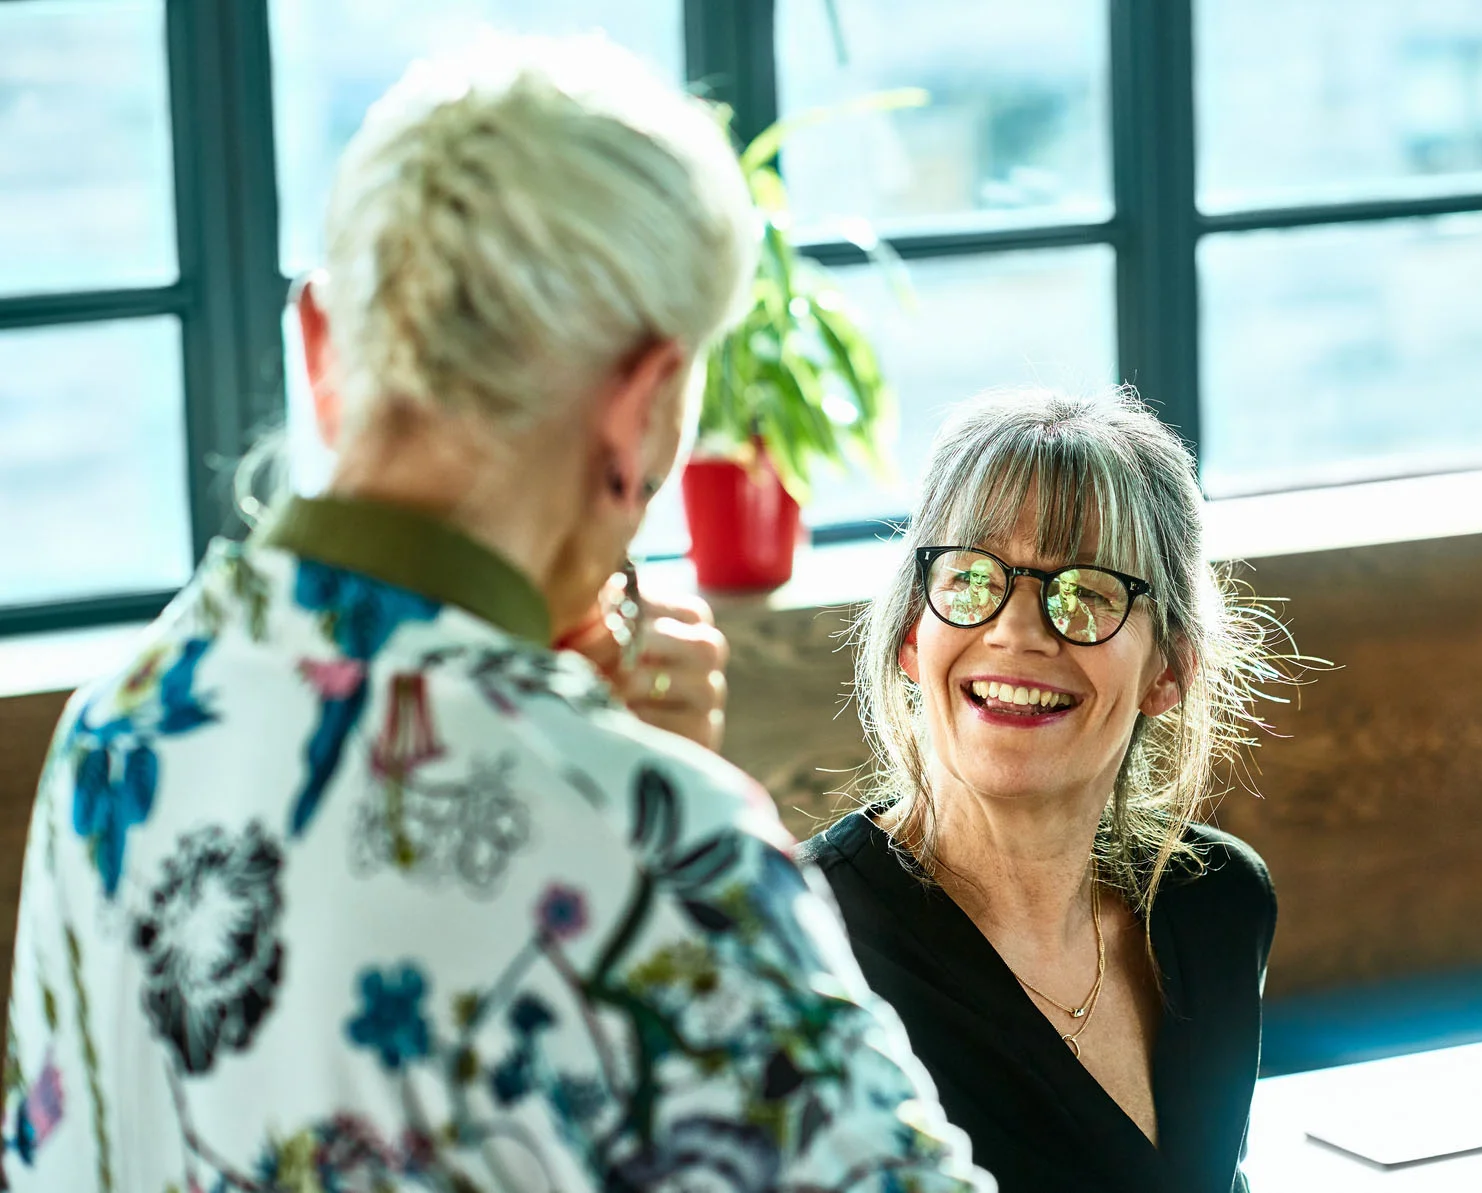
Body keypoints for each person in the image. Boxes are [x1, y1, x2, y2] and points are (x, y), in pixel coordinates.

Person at [1, 36, 989, 1193]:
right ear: (641, 408)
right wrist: (639, 803)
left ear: (320, 346)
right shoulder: (654, 843)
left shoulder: (116, 729)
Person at [798, 387, 1302, 1193]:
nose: (1016, 630)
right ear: (908, 635)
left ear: (1168, 667)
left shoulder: (1218, 905)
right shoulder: (801, 943)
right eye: (970, 578)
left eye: (1086, 591)